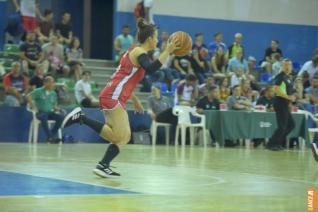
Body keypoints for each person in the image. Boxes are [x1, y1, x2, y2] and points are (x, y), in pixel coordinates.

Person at [61, 18, 179, 177]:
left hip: (114, 95)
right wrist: (168, 51)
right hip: (113, 96)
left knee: (122, 136)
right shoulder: (139, 52)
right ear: (150, 38)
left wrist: (135, 99)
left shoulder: (134, 50)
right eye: (156, 37)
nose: (157, 40)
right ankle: (82, 118)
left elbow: (125, 79)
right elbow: (151, 69)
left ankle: (103, 165)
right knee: (121, 136)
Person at [267, 59, 295, 151]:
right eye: (285, 65)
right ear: (282, 66)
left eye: (289, 65)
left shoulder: (288, 78)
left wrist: (290, 102)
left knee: (291, 124)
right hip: (279, 102)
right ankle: (272, 144)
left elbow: (289, 92)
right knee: (282, 126)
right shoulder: (280, 76)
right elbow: (276, 89)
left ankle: (278, 142)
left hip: (285, 104)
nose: (287, 67)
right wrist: (288, 97)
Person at [27, 76, 64, 143]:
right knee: (43, 117)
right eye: (49, 82)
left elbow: (54, 105)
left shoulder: (53, 93)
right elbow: (28, 96)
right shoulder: (38, 91)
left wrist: (58, 109)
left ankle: (51, 136)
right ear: (44, 83)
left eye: (52, 82)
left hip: (50, 112)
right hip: (40, 112)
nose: (51, 84)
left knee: (61, 117)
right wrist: (33, 106)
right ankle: (51, 137)